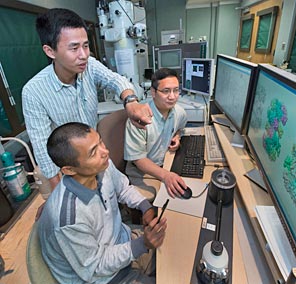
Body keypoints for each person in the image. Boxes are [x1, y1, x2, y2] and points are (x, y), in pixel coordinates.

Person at [22, 8, 153, 190]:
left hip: (93, 154)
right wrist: (59, 191)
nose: (83, 55)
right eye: (74, 48)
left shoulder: (89, 66)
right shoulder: (33, 92)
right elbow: (42, 148)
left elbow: (115, 80)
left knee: (114, 196)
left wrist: (130, 101)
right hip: (69, 167)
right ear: (50, 51)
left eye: (85, 45)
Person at [38, 122, 167, 283]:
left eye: (100, 142)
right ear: (69, 169)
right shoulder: (68, 219)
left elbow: (123, 188)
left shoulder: (101, 166)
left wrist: (145, 207)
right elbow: (94, 266)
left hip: (122, 242)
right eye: (93, 152)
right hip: (104, 277)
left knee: (178, 253)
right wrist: (142, 244)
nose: (105, 152)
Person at [124, 68, 188, 198]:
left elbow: (180, 128)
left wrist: (177, 137)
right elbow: (138, 160)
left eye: (176, 90)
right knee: (163, 199)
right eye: (166, 91)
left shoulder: (179, 112)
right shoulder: (139, 119)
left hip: (166, 163)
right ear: (153, 92)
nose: (172, 96)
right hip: (142, 171)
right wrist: (165, 175)